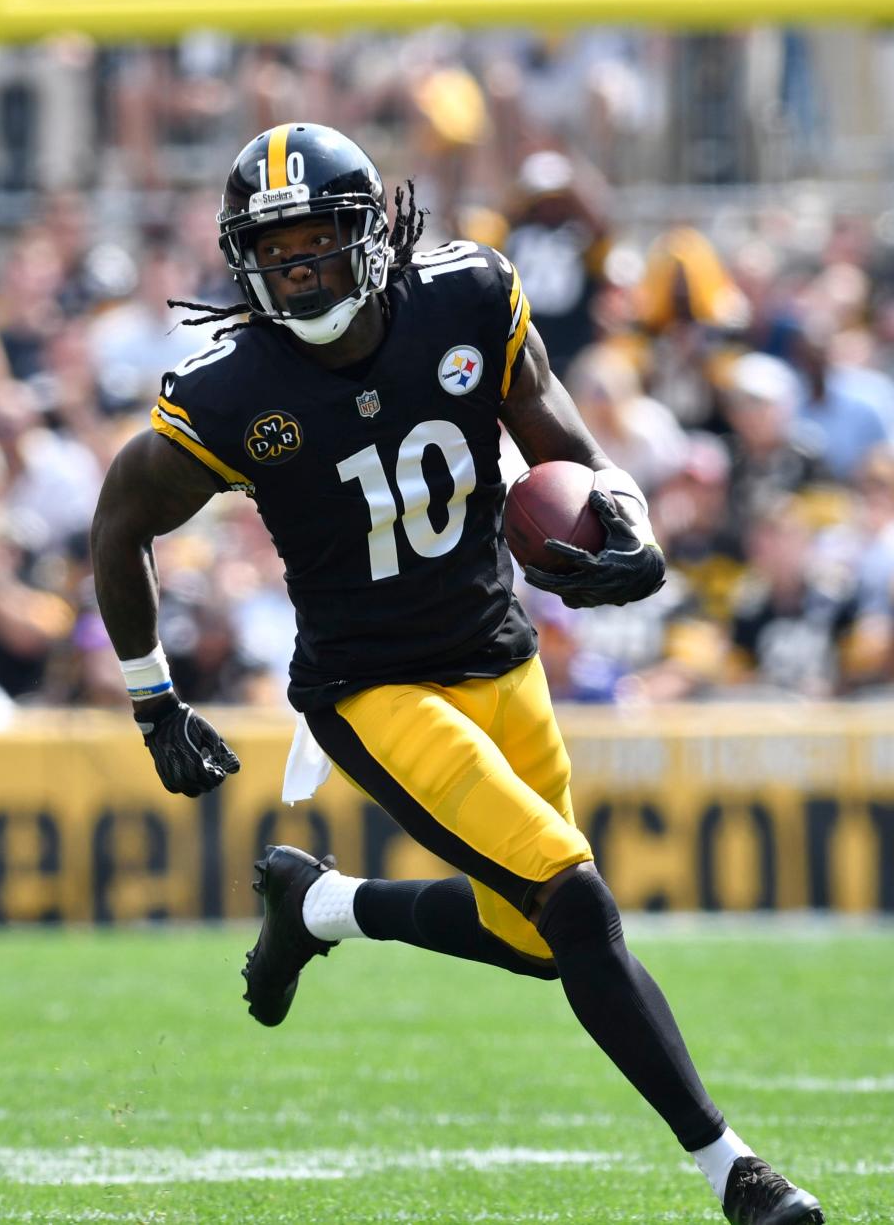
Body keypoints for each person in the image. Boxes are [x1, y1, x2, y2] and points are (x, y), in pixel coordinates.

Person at [90, 123, 824, 1225]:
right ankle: (736, 1171)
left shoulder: (470, 296)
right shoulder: (235, 388)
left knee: (536, 941)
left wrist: (620, 516)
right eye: (274, 251)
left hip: (498, 651)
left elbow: (556, 441)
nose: (297, 269)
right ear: (245, 261)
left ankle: (322, 905)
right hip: (370, 688)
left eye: (317, 243)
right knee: (573, 897)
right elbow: (118, 522)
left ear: (375, 233)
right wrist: (154, 698)